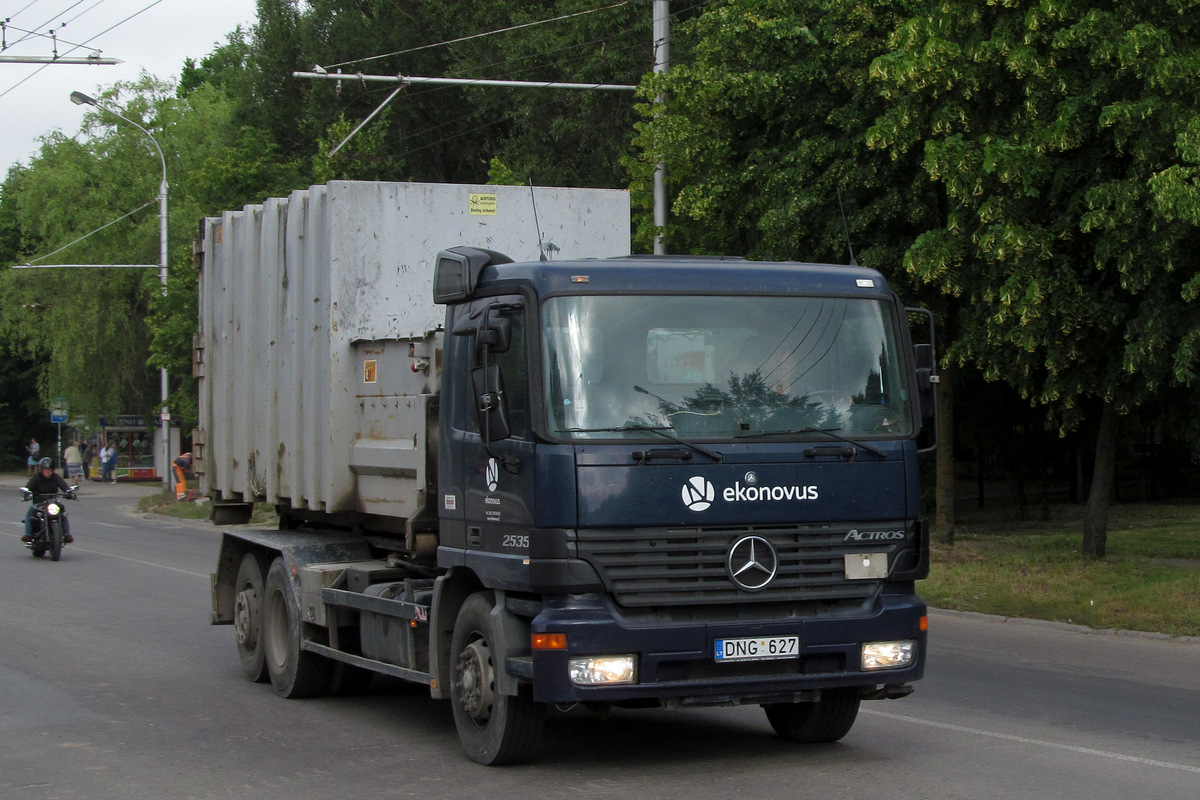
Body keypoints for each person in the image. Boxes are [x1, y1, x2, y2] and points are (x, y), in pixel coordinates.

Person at [22, 457, 75, 544]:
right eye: (46, 469)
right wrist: (27, 494)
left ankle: (66, 534)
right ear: (41, 469)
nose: (48, 471)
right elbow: (28, 488)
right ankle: (27, 534)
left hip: (52, 502)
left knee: (63, 513)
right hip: (39, 502)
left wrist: (69, 492)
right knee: (30, 512)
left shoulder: (55, 477)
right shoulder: (36, 477)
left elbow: (64, 485)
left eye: (50, 469)